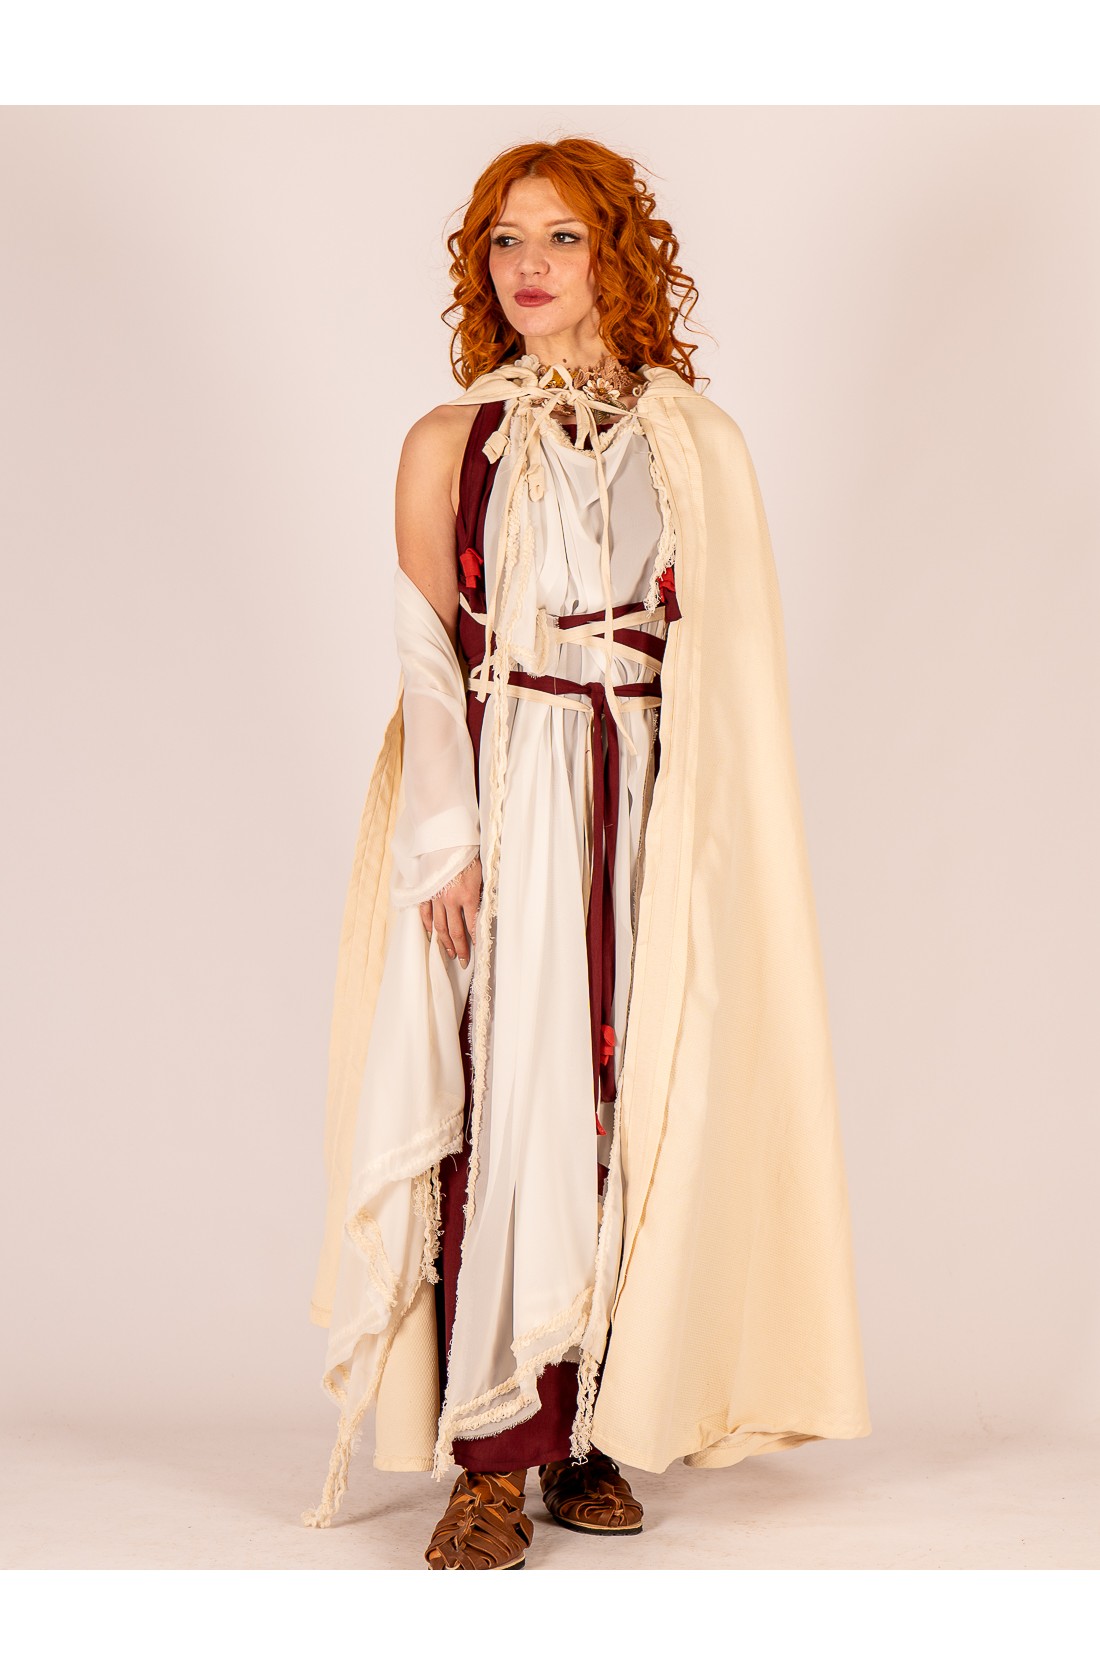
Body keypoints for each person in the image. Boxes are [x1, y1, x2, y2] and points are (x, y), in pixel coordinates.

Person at [302, 137, 872, 1571]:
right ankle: (493, 1456)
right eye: (505, 240)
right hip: (514, 785)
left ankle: (595, 1428)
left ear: (617, 253)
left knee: (636, 1096)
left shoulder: (695, 441)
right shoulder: (451, 441)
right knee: (518, 1096)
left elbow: (729, 668)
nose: (531, 265)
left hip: (658, 794)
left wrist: (713, 849)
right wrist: (447, 841)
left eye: (561, 235)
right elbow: (428, 656)